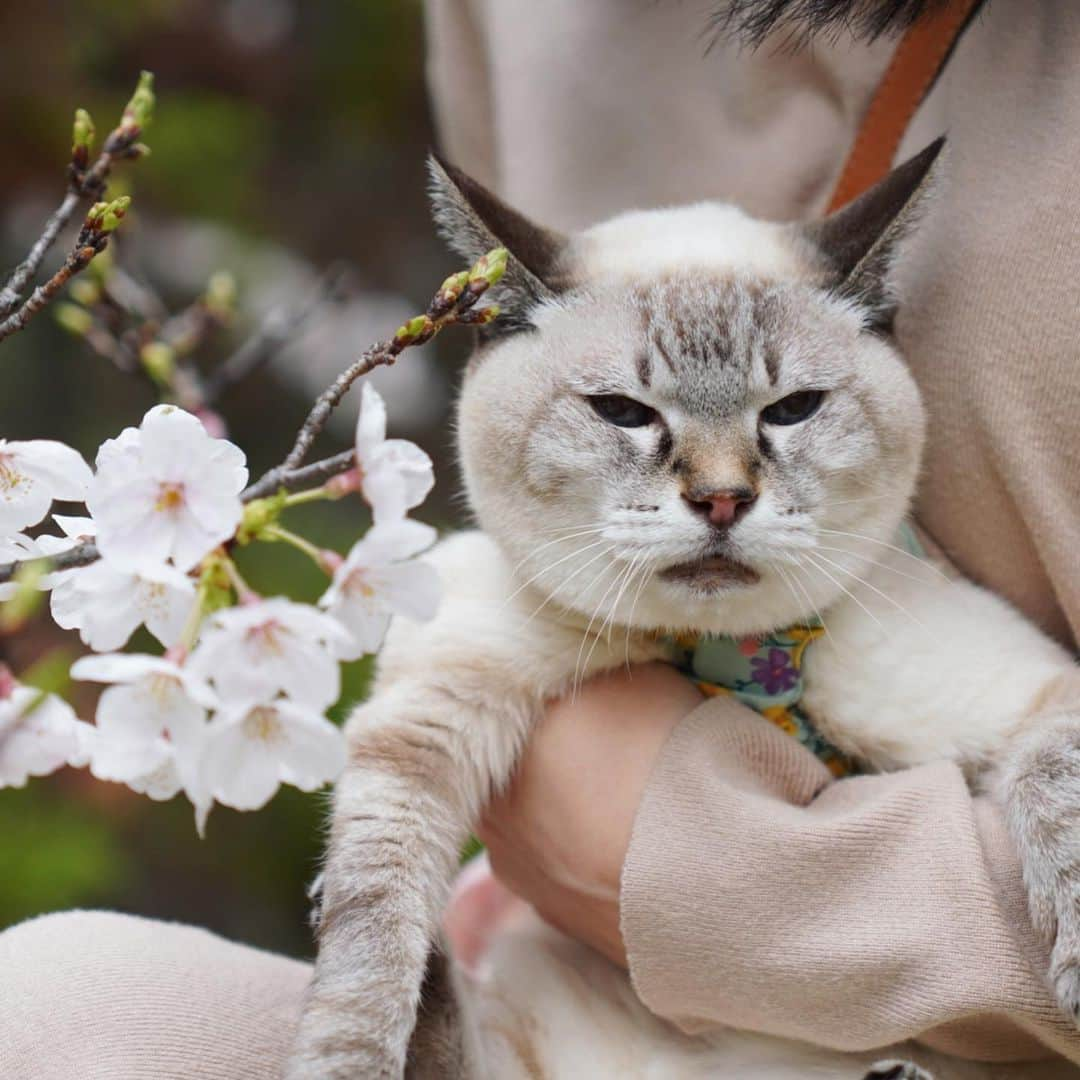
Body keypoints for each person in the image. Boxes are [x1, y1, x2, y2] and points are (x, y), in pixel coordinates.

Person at [4, 1, 1080, 1075]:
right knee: (62, 1004)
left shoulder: (887, 607)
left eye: (782, 418)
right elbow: (413, 760)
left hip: (928, 1028)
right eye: (630, 418)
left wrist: (693, 868)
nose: (720, 488)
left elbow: (1045, 725)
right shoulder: (516, 26)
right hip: (557, 1033)